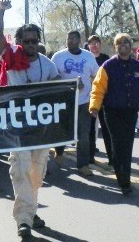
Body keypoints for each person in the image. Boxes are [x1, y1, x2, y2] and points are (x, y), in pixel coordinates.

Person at [0, 0, 58, 237]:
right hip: (17, 127)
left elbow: (58, 91)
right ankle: (24, 221)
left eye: (34, 41)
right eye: (26, 41)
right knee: (20, 170)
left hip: (41, 129)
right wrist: (1, 11)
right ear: (20, 42)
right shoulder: (11, 57)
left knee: (36, 173)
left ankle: (30, 211)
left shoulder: (48, 65)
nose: (30, 44)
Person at [89, 33, 139, 195]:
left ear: (130, 46)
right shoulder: (107, 66)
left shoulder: (138, 67)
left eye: (126, 43)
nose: (123, 45)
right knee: (118, 145)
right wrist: (94, 107)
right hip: (112, 112)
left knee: (127, 145)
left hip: (130, 112)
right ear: (116, 47)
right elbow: (98, 88)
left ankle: (123, 177)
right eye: (120, 43)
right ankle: (123, 180)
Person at [51, 30, 99, 176]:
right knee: (63, 131)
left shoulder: (88, 56)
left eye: (73, 38)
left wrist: (91, 91)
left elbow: (96, 77)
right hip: (64, 102)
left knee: (83, 135)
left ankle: (83, 165)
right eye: (68, 38)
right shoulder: (58, 57)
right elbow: (52, 78)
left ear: (79, 40)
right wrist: (69, 85)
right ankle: (59, 152)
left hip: (84, 102)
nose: (70, 41)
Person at [86, 35, 113, 165]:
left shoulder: (105, 59)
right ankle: (90, 155)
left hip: (104, 97)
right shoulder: (86, 58)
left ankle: (112, 157)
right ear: (88, 46)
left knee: (107, 127)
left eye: (97, 43)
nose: (94, 46)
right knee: (90, 128)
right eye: (92, 44)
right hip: (89, 97)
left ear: (100, 45)